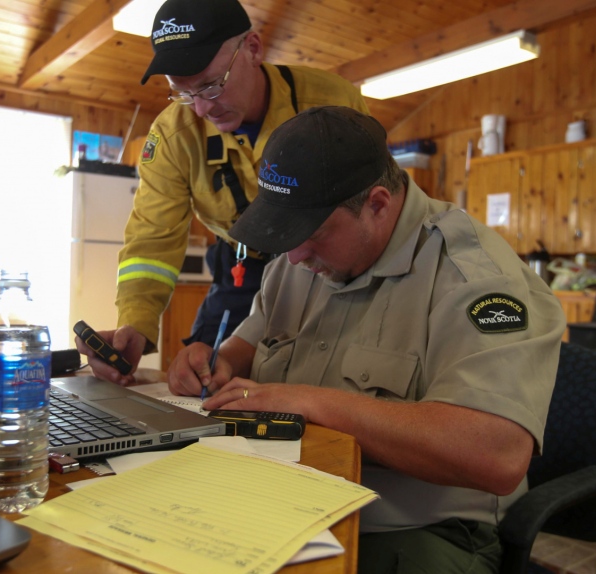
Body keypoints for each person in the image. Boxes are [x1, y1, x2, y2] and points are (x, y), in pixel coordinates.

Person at [167, 106, 566, 573]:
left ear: (377, 204)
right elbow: (248, 345)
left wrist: (312, 403)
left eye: (312, 233)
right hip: (280, 498)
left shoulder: (475, 279)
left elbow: (495, 455)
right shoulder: (297, 263)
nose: (293, 256)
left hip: (412, 527)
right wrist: (218, 362)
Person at [78, 0, 370, 383]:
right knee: (201, 377)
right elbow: (152, 241)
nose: (200, 110)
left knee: (321, 372)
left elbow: (369, 207)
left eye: (211, 85)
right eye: (182, 93)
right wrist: (136, 325)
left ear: (252, 48)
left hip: (321, 262)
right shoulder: (172, 136)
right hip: (239, 267)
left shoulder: (332, 103)